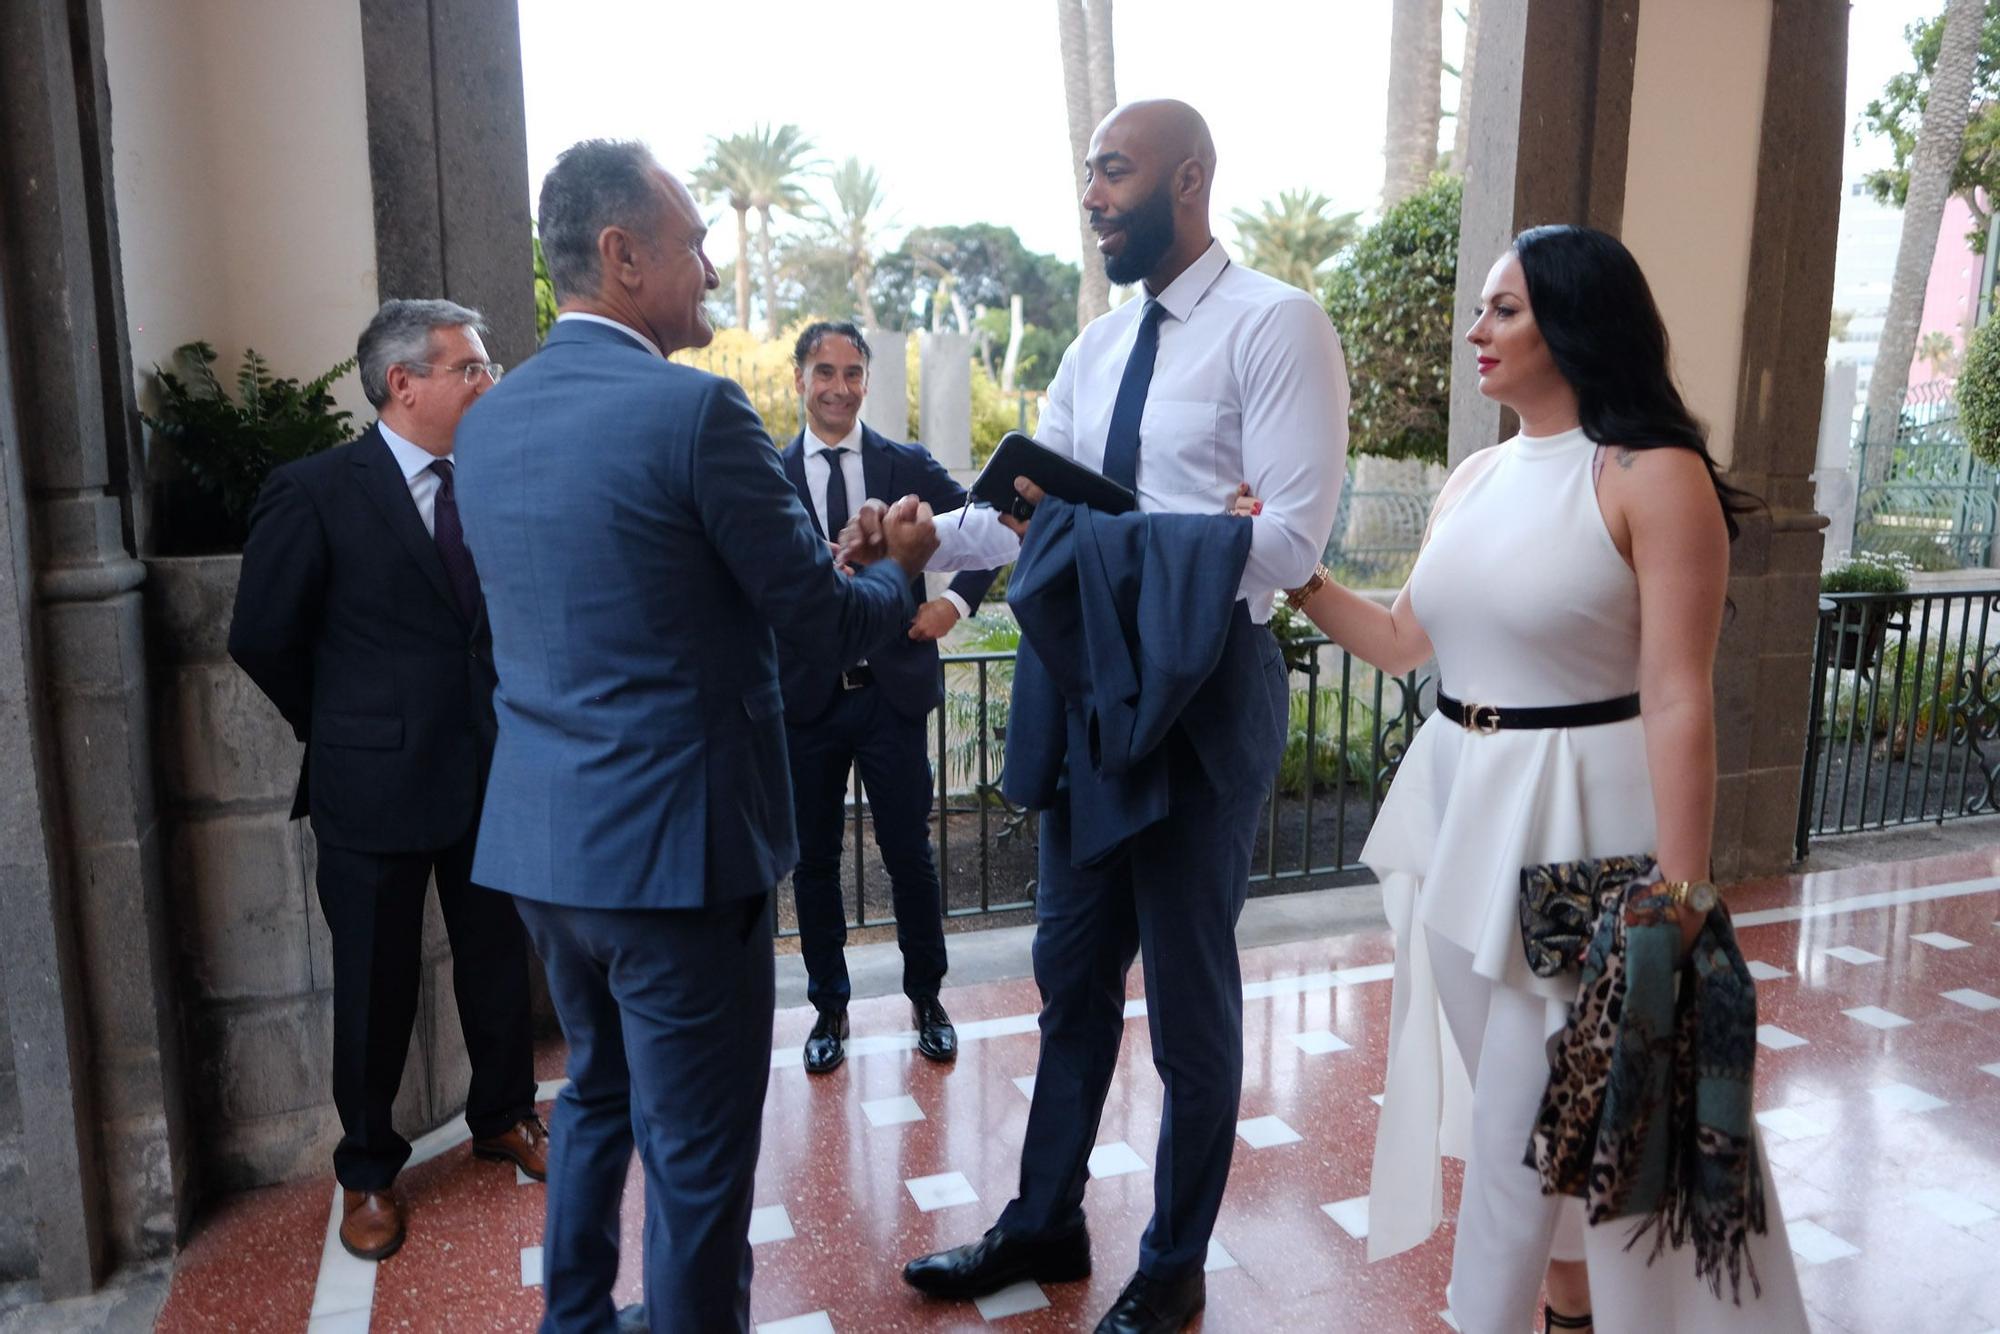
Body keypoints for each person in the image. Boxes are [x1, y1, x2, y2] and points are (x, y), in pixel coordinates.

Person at [1246, 226, 1807, 1332]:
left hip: (1581, 838)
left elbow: (1679, 691)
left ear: (1574, 316)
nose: (1475, 331)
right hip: (1462, 809)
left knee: (1524, 1117)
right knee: (1549, 1117)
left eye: (1502, 308)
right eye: (1480, 309)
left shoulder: (1652, 474)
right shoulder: (1478, 474)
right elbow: (1406, 639)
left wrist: (1682, 894)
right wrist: (1293, 571)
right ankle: (1566, 1309)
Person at [451, 139, 937, 1334]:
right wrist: (901, 573)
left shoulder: (489, 419)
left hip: (545, 850)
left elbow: (637, 603)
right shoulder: (696, 408)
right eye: (690, 240)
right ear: (621, 257)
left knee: (596, 1100)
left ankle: (574, 1320)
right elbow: (820, 625)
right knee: (700, 1158)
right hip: (676, 857)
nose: (710, 264)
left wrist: (832, 569)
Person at [888, 100, 1350, 1334]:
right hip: (1089, 692)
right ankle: (1043, 1216)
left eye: (1112, 169)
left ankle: (1175, 1258)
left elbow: (1291, 541)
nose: (1090, 192)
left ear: (1186, 178)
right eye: (1087, 171)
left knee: (1190, 999)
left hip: (1202, 696)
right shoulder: (1094, 349)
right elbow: (1034, 519)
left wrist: (1122, 537)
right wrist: (936, 534)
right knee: (1069, 972)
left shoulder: (1276, 324)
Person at [228, 299, 544, 1263]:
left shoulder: (494, 480)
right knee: (375, 985)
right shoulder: (316, 490)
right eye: (471, 368)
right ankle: (367, 1170)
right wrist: (344, 733)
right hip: (372, 789)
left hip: (489, 773)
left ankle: (503, 1116)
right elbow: (261, 636)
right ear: (403, 383)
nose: (489, 383)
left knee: (498, 959)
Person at [778, 320, 1001, 1075]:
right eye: (823, 371)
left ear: (867, 381)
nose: (838, 386)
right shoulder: (766, 472)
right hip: (806, 703)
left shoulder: (904, 464)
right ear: (800, 379)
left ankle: (927, 999)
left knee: (910, 854)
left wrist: (954, 606)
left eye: (852, 372)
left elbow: (985, 525)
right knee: (813, 864)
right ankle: (828, 1009)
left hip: (891, 695)